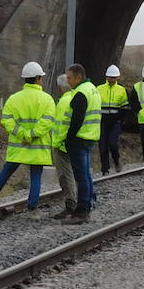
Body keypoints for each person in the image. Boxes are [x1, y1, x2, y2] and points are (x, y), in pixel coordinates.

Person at [0, 62, 57, 211]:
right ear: (37, 78)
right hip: (38, 146)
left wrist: (22, 133)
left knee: (6, 172)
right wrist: (30, 135)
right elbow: (47, 122)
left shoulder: (14, 99)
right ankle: (32, 209)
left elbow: (6, 120)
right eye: (41, 77)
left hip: (19, 146)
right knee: (36, 177)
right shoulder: (47, 99)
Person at [58, 63, 101, 224]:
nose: (67, 81)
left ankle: (82, 211)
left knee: (81, 176)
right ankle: (87, 206)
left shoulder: (80, 93)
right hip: (90, 137)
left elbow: (76, 119)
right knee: (86, 175)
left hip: (79, 139)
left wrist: (69, 139)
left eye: (69, 78)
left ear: (78, 77)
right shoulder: (93, 89)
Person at [50, 74, 78, 218]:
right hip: (75, 143)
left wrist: (56, 143)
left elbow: (61, 125)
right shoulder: (76, 97)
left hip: (62, 145)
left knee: (65, 175)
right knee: (76, 174)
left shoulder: (63, 102)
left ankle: (70, 205)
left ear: (60, 88)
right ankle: (82, 200)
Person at [96, 64, 129, 174]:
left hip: (115, 122)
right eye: (110, 77)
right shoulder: (99, 89)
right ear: (106, 77)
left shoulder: (121, 90)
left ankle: (116, 161)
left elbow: (124, 107)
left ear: (117, 78)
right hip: (102, 121)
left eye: (114, 78)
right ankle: (105, 169)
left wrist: (122, 121)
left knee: (113, 144)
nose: (112, 80)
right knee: (103, 146)